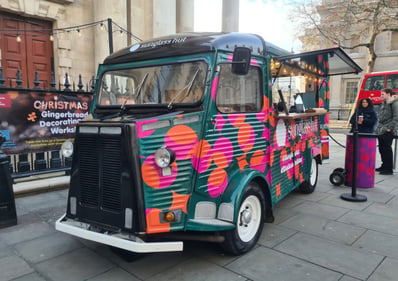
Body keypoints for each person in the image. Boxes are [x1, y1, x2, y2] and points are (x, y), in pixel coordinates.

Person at [375, 88, 398, 175]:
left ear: (388, 94)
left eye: (382, 94)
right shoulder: (384, 103)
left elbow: (396, 117)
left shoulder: (394, 103)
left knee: (387, 149)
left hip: (388, 129)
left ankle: (389, 168)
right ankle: (384, 165)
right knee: (381, 148)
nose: (381, 96)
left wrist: (390, 128)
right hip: (381, 128)